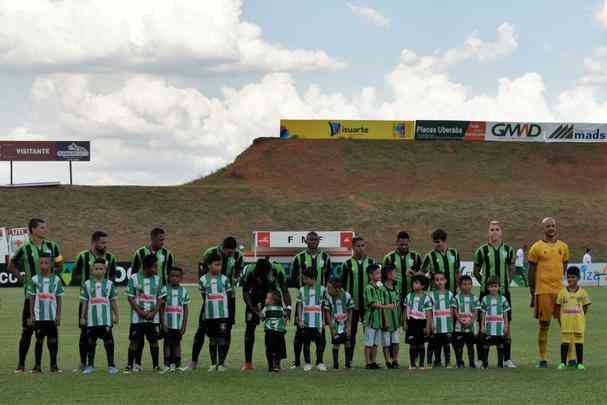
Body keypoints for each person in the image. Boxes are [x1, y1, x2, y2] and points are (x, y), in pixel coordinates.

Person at [8, 218, 63, 373]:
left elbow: (60, 265)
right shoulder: (24, 248)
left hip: (49, 299)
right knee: (27, 330)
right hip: (31, 297)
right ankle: (21, 365)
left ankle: (52, 365)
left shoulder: (53, 246)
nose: (45, 230)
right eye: (42, 227)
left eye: (46, 227)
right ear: (33, 230)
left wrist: (52, 277)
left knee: (51, 331)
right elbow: (11, 266)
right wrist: (23, 280)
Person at [473, 221, 517, 368]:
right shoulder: (481, 250)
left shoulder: (509, 250)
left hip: (504, 294)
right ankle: (480, 360)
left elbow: (512, 269)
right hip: (485, 295)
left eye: (497, 229)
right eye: (492, 229)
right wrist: (485, 285)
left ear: (501, 232)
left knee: (506, 324)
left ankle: (506, 359)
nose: (494, 232)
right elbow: (475, 271)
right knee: (482, 324)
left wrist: (505, 283)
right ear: (488, 232)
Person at [528, 217, 570, 368]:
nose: (551, 228)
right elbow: (531, 271)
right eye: (548, 226)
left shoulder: (563, 247)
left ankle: (570, 358)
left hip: (559, 292)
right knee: (544, 325)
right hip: (543, 291)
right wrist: (532, 291)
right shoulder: (536, 248)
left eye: (553, 225)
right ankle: (543, 358)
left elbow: (564, 265)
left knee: (565, 324)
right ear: (543, 229)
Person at [73, 231, 118, 372]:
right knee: (84, 333)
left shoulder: (111, 258)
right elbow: (75, 274)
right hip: (87, 300)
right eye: (102, 243)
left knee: (107, 335)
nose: (105, 245)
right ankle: (83, 363)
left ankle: (110, 364)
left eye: (106, 243)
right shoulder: (83, 256)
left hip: (103, 302)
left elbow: (112, 277)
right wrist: (86, 284)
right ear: (94, 242)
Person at [240, 258, 290, 371]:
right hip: (254, 298)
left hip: (271, 299)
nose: (261, 279)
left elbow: (285, 290)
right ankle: (248, 363)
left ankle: (276, 363)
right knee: (249, 328)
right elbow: (245, 291)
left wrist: (288, 308)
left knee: (277, 331)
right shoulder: (249, 271)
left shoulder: (277, 270)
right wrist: (252, 308)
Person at [290, 231, 331, 369]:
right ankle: (297, 362)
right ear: (306, 241)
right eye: (310, 240)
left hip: (320, 299)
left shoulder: (325, 257)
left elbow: (329, 276)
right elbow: (293, 277)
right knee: (300, 333)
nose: (313, 242)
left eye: (315, 239)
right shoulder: (298, 258)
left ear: (318, 241)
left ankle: (320, 361)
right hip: (304, 300)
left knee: (321, 333)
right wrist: (304, 288)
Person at [200, 237, 243, 358]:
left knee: (227, 328)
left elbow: (240, 270)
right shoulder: (210, 252)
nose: (230, 254)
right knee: (203, 328)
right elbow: (203, 271)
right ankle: (195, 361)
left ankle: (222, 360)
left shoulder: (238, 256)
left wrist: (235, 278)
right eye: (228, 252)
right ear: (223, 248)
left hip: (230, 296)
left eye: (232, 252)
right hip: (211, 297)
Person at [124, 254, 166, 373]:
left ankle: (156, 366)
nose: (156, 269)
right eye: (154, 267)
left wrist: (154, 312)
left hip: (154, 318)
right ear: (146, 267)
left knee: (154, 341)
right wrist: (140, 311)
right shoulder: (134, 278)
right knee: (134, 341)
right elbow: (130, 297)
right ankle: (129, 365)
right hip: (137, 318)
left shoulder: (158, 280)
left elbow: (160, 298)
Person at [194, 252, 233, 372]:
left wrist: (228, 312)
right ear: (209, 265)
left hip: (222, 315)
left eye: (220, 265)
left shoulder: (225, 279)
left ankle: (221, 364)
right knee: (212, 339)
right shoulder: (203, 280)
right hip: (209, 315)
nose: (219, 267)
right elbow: (203, 296)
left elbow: (228, 295)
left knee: (221, 338)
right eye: (216, 264)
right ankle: (213, 364)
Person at [79, 258, 119, 375]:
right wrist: (82, 317)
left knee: (109, 343)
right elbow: (85, 302)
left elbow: (113, 301)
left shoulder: (110, 284)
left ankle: (111, 365)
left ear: (105, 270)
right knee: (91, 343)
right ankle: (90, 365)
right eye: (96, 268)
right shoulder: (87, 284)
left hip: (106, 320)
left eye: (101, 268)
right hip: (92, 320)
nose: (98, 271)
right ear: (92, 270)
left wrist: (116, 315)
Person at [340, 236, 373, 368]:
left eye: (362, 245)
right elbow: (342, 287)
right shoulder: (347, 264)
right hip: (352, 306)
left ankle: (370, 361)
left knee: (370, 333)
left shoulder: (371, 262)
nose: (360, 248)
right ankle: (349, 361)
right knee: (350, 333)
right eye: (358, 246)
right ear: (353, 247)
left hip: (368, 305)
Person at [28, 252, 64, 373]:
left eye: (46, 263)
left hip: (52, 316)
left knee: (53, 341)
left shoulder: (56, 280)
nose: (43, 265)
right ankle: (37, 366)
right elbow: (32, 298)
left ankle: (54, 366)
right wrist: (32, 314)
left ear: (51, 264)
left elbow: (59, 298)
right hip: (39, 317)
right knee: (39, 341)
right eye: (41, 263)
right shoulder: (34, 279)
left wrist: (58, 315)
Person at [556, 266, 591, 370]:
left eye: (573, 277)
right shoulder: (562, 292)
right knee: (565, 341)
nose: (571, 279)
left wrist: (580, 316)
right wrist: (562, 318)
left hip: (578, 322)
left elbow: (585, 306)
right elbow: (558, 306)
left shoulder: (582, 292)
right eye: (569, 277)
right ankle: (563, 362)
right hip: (566, 322)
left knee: (579, 341)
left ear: (579, 278)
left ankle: (580, 363)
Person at [296, 269, 328, 372]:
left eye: (306, 279)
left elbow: (323, 306)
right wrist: (300, 319)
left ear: (313, 278)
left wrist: (323, 320)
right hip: (306, 322)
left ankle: (320, 362)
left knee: (320, 343)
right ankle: (307, 363)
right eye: (303, 278)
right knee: (306, 343)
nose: (304, 281)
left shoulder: (322, 290)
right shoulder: (302, 290)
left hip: (318, 322)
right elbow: (300, 305)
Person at [160, 267, 190, 373]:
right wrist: (163, 323)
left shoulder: (184, 291)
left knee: (177, 344)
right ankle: (167, 364)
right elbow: (161, 308)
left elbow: (185, 310)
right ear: (168, 277)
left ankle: (177, 365)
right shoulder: (164, 290)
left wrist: (184, 325)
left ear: (181, 278)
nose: (174, 278)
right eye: (172, 276)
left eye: (177, 276)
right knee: (167, 344)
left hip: (178, 324)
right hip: (168, 324)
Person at [478, 277, 511, 369]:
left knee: (500, 345)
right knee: (486, 345)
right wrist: (482, 325)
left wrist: (506, 326)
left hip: (499, 327)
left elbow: (505, 314)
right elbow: (483, 314)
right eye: (491, 286)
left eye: (495, 286)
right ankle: (485, 363)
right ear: (487, 288)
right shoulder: (485, 299)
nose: (493, 288)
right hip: (489, 327)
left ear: (499, 287)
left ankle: (500, 364)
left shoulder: (503, 299)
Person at [363, 264, 390, 370]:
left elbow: (381, 303)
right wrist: (387, 306)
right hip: (370, 320)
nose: (379, 275)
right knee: (368, 343)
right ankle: (367, 362)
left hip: (378, 320)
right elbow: (373, 304)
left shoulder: (380, 288)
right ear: (370, 275)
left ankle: (373, 361)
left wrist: (384, 319)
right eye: (377, 273)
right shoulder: (369, 288)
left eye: (380, 273)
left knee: (375, 343)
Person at [325, 275, 354, 369]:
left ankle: (347, 364)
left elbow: (350, 310)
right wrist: (331, 327)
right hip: (335, 325)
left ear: (337, 289)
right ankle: (336, 365)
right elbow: (328, 313)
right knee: (336, 343)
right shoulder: (329, 298)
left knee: (347, 342)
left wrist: (349, 326)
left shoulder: (347, 295)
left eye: (329, 288)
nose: (328, 291)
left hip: (345, 324)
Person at [403, 275, 432, 369]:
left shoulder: (426, 298)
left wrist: (427, 327)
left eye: (416, 283)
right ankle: (412, 363)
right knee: (412, 344)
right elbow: (405, 310)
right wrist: (404, 322)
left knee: (421, 344)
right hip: (411, 322)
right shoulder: (409, 296)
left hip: (421, 323)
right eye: (413, 283)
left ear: (423, 286)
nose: (414, 284)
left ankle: (421, 363)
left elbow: (428, 314)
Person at [383, 231, 422, 298]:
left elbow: (422, 274)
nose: (404, 247)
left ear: (409, 242)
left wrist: (415, 274)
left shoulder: (416, 256)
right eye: (401, 244)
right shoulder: (389, 258)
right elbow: (383, 277)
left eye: (406, 244)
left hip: (413, 293)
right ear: (397, 242)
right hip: (395, 294)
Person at [427, 272, 455, 368]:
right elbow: (429, 311)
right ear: (434, 282)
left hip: (447, 325)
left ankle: (447, 362)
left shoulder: (450, 294)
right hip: (436, 325)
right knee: (436, 345)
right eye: (437, 280)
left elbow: (451, 310)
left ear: (445, 281)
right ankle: (436, 361)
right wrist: (430, 324)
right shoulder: (431, 295)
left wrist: (451, 323)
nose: (439, 282)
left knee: (447, 344)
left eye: (441, 279)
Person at [421, 229, 460, 293]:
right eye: (434, 242)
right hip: (436, 293)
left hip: (452, 292)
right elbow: (422, 272)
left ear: (444, 241)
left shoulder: (454, 252)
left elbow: (457, 272)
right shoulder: (430, 255)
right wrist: (413, 274)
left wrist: (459, 287)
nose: (435, 244)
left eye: (438, 242)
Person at [453, 275, 479, 368]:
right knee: (459, 346)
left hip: (471, 328)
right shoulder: (456, 298)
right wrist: (460, 320)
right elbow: (455, 311)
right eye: (464, 284)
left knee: (470, 346)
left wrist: (471, 322)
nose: (466, 286)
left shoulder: (475, 298)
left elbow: (476, 312)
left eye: (469, 284)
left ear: (472, 285)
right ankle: (459, 362)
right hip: (459, 327)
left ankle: (471, 362)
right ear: (459, 286)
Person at [260, 290, 287, 372]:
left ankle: (270, 365)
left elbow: (262, 317)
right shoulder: (281, 309)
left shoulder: (265, 308)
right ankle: (277, 365)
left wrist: (258, 308)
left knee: (269, 349)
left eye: (267, 298)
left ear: (272, 300)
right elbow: (285, 319)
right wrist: (282, 327)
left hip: (269, 332)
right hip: (279, 332)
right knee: (279, 349)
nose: (265, 299)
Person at [381, 265, 401, 369]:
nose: (395, 275)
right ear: (388, 275)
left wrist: (400, 318)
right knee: (386, 342)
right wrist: (384, 320)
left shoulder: (396, 289)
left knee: (396, 341)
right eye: (394, 273)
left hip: (395, 320)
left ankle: (395, 360)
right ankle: (387, 361)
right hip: (387, 320)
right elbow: (381, 306)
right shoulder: (382, 289)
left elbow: (398, 304)